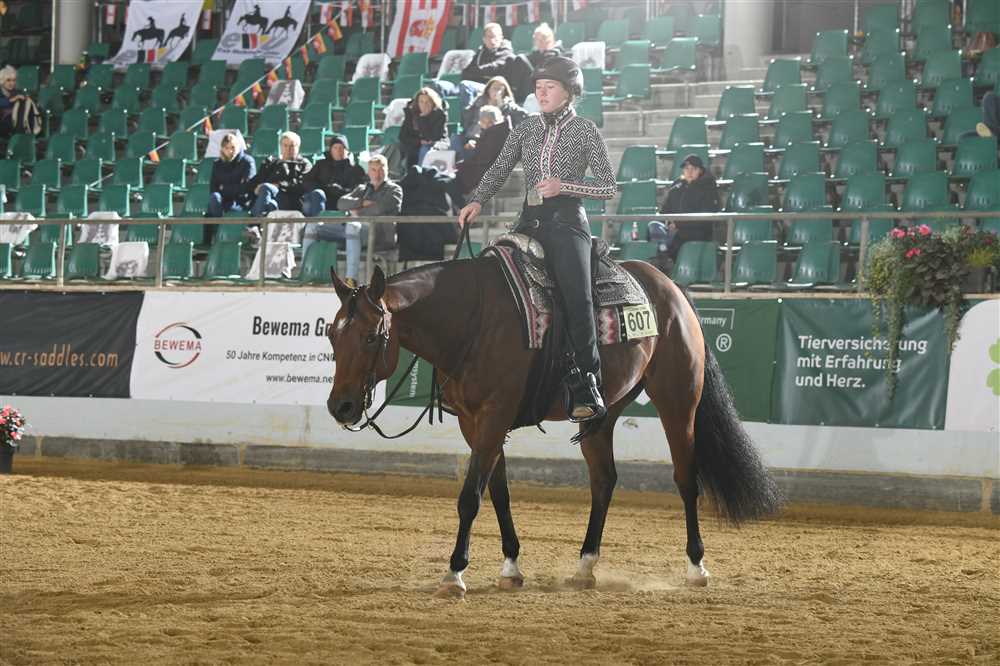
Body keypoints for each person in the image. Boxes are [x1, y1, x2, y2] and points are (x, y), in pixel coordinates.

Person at [458, 56, 616, 423]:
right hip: (528, 221)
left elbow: (608, 186)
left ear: (569, 92)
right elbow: (499, 167)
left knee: (577, 296)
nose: (541, 94)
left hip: (568, 222)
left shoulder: (586, 130)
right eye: (538, 88)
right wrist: (477, 200)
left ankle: (587, 384)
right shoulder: (525, 128)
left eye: (549, 88)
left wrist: (566, 186)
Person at [335, 154, 403, 284]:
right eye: (374, 170)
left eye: (381, 170)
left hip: (379, 234)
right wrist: (362, 202)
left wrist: (357, 212)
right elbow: (341, 203)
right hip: (356, 231)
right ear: (368, 172)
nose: (377, 174)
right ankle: (308, 274)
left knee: (352, 226)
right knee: (314, 227)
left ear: (387, 170)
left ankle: (351, 279)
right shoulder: (362, 189)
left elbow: (379, 208)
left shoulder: (395, 189)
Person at [301, 134, 368, 264]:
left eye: (342, 148)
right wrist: (324, 189)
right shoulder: (321, 165)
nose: (338, 151)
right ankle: (316, 230)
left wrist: (341, 191)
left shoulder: (356, 169)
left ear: (347, 150)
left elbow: (359, 190)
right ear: (330, 150)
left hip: (343, 204)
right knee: (317, 194)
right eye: (335, 147)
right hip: (321, 202)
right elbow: (307, 181)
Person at [653, 153, 720, 263]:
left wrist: (678, 225)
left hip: (697, 232)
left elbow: (706, 217)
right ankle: (661, 260)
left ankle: (664, 260)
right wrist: (664, 223)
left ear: (700, 170)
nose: (689, 172)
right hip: (675, 230)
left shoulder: (708, 187)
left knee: (672, 242)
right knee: (654, 226)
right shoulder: (677, 186)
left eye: (694, 169)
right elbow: (665, 209)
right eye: (686, 168)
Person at [448, 106, 509, 211]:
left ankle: (463, 208)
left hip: (485, 169)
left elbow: (485, 157)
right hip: (482, 165)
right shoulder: (495, 131)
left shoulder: (496, 132)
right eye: (484, 122)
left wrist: (460, 165)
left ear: (497, 121)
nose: (487, 125)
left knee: (451, 181)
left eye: (490, 122)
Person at [455, 76, 526, 158]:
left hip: (494, 141)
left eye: (500, 89)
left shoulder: (509, 106)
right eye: (495, 88)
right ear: (488, 89)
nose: (497, 92)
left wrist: (501, 106)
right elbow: (468, 121)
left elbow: (523, 116)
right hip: (473, 137)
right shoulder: (478, 102)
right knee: (455, 140)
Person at [249, 131, 312, 217]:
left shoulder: (304, 164)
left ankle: (255, 221)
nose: (288, 149)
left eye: (292, 146)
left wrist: (279, 185)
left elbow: (302, 185)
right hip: (272, 199)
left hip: (294, 200)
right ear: (281, 147)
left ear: (298, 147)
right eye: (285, 145)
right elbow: (258, 179)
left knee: (267, 188)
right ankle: (259, 220)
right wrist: (257, 188)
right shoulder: (271, 162)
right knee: (270, 203)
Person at [207, 133, 256, 217]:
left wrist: (224, 188)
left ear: (238, 147)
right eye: (227, 148)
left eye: (233, 147)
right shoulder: (217, 164)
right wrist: (234, 187)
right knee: (214, 198)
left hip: (241, 203)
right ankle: (216, 224)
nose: (230, 151)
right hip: (222, 201)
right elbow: (213, 188)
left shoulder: (247, 162)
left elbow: (246, 189)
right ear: (222, 149)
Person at [398, 87, 449, 168]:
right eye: (421, 102)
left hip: (436, 144)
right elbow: (403, 136)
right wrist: (419, 141)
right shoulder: (411, 114)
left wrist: (423, 119)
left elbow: (433, 137)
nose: (424, 105)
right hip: (415, 144)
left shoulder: (440, 115)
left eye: (428, 102)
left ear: (433, 103)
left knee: (425, 149)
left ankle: (421, 173)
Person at [0, 66, 26, 136]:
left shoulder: (18, 93)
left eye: (14, 80)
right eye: (8, 80)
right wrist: (11, 100)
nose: (12, 83)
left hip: (15, 123)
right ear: (2, 81)